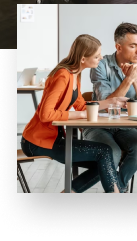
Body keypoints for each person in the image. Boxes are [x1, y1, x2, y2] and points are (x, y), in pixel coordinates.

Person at [21, 34, 125, 193]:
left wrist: (110, 102)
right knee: (104, 153)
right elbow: (46, 114)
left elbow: (82, 106)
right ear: (83, 58)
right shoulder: (63, 75)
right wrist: (82, 116)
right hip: (37, 142)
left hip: (53, 139)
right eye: (97, 56)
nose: (101, 58)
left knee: (105, 160)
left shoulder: (74, 74)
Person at [84, 22, 137, 192]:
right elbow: (105, 102)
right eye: (133, 46)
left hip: (127, 126)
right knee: (112, 152)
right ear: (118, 47)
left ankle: (118, 189)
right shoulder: (101, 64)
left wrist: (135, 80)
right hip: (98, 125)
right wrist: (128, 79)